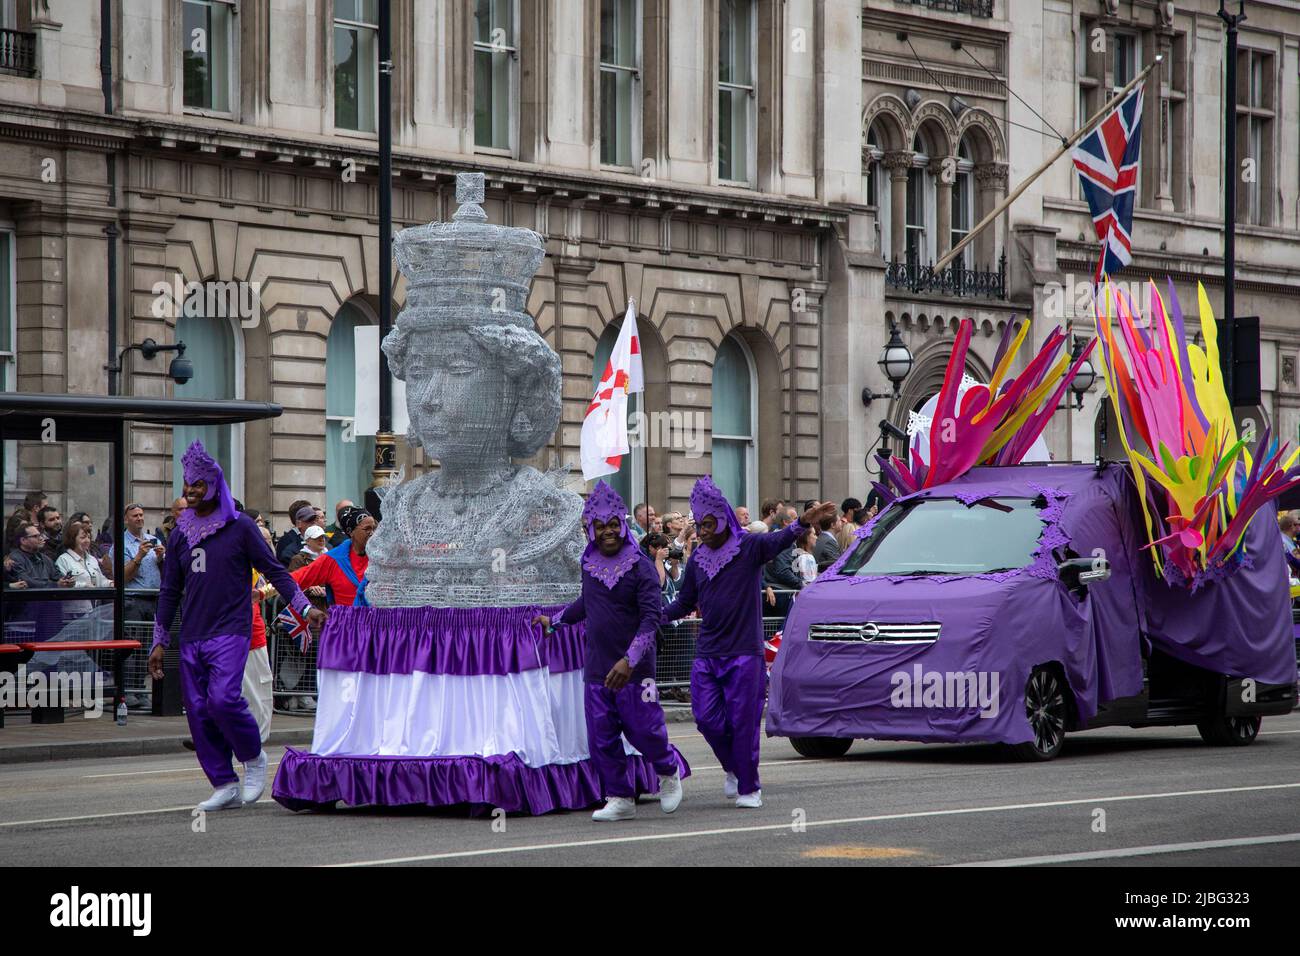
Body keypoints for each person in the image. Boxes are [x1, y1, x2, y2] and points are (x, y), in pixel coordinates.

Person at [148, 442, 324, 812]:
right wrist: (159, 640)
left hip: (232, 629)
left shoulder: (241, 527)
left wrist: (304, 607)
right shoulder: (180, 533)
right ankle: (224, 783)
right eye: (186, 486)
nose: (191, 491)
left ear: (214, 484)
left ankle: (254, 757)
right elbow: (169, 590)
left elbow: (277, 571)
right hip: (193, 633)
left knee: (224, 699)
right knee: (197, 710)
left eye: (197, 484)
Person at [663, 477, 835, 808]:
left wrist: (803, 521)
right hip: (708, 654)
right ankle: (733, 767)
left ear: (724, 518)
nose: (704, 530)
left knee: (742, 724)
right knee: (706, 719)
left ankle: (749, 786)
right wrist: (652, 615)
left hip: (744, 654)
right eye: (700, 524)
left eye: (709, 523)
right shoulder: (698, 559)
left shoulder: (749, 547)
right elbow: (684, 602)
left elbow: (782, 539)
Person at [532, 481, 687, 821]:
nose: (607, 532)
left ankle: (668, 771)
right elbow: (586, 604)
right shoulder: (588, 564)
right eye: (599, 527)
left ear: (622, 524)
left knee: (644, 729)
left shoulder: (642, 565)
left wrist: (629, 660)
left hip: (636, 670)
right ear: (591, 529)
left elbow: (651, 620)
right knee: (602, 736)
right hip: (598, 667)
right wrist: (554, 621)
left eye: (613, 525)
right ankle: (620, 797)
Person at [290, 506, 375, 607]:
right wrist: (306, 610)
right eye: (367, 529)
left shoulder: (381, 558)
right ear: (350, 531)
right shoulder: (333, 559)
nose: (372, 534)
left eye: (374, 528)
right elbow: (294, 580)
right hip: (346, 621)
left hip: (378, 620)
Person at [55, 520, 112, 620]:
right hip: (74, 614)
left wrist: (110, 583)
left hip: (94, 611)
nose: (87, 541)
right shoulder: (63, 560)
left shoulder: (92, 559)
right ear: (73, 539)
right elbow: (63, 585)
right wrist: (84, 586)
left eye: (89, 537)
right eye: (82, 538)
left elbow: (100, 581)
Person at [120, 504, 165, 624]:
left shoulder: (154, 540)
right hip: (133, 602)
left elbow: (165, 572)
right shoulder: (121, 544)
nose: (139, 518)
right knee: (136, 641)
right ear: (126, 520)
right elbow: (122, 578)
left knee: (155, 640)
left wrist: (161, 558)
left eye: (141, 515)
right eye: (135, 516)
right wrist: (139, 556)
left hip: (156, 600)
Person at [641, 531, 678, 603]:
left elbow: (675, 577)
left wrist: (674, 565)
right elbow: (659, 583)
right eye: (661, 548)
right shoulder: (646, 562)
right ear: (651, 548)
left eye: (666, 547)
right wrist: (659, 560)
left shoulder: (661, 561)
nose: (666, 550)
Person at [274, 500, 314, 566]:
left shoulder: (319, 539)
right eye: (309, 517)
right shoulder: (286, 541)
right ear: (298, 521)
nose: (314, 521)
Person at [812, 505, 842, 571]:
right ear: (833, 525)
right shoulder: (829, 541)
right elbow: (836, 564)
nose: (841, 522)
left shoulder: (823, 537)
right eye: (839, 521)